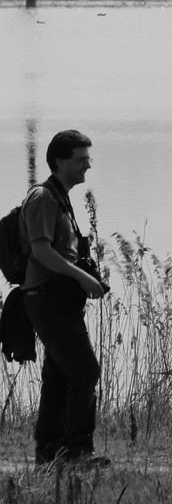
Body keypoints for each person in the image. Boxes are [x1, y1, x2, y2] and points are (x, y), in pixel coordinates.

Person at [20, 130, 109, 467]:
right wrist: (82, 276)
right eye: (80, 159)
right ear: (59, 161)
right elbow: (41, 251)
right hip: (45, 299)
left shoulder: (60, 195)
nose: (87, 165)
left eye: (88, 159)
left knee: (59, 375)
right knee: (85, 372)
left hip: (56, 299)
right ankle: (75, 451)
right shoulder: (43, 197)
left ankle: (49, 452)